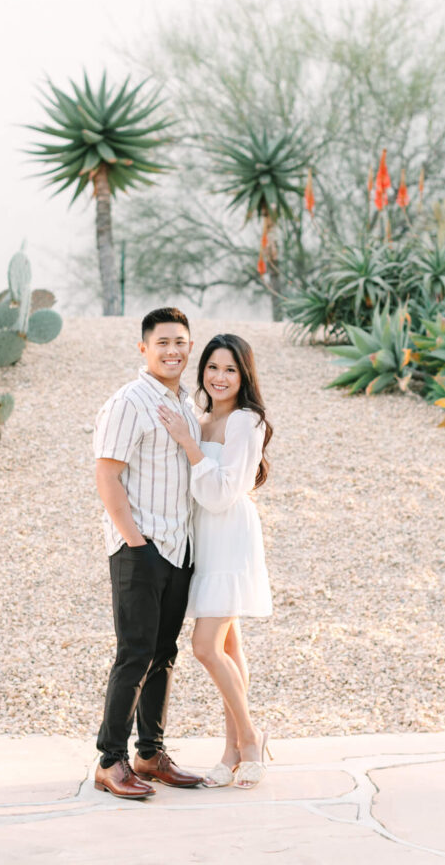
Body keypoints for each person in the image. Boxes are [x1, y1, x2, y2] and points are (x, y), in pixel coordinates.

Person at [92, 307, 203, 799]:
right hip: (141, 548)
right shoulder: (128, 402)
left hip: (179, 548)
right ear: (144, 348)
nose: (172, 350)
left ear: (190, 346)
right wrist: (135, 542)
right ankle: (110, 761)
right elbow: (107, 475)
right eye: (162, 342)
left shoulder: (187, 404)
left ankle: (149, 753)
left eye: (180, 341)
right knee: (134, 655)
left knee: (164, 654)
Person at [157, 333, 273, 790]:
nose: (219, 377)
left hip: (229, 536)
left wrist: (189, 445)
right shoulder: (200, 418)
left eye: (230, 369)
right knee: (228, 648)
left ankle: (249, 738)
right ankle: (231, 752)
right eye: (212, 368)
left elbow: (226, 493)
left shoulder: (246, 421)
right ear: (201, 371)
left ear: (243, 375)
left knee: (205, 647)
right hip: (201, 537)